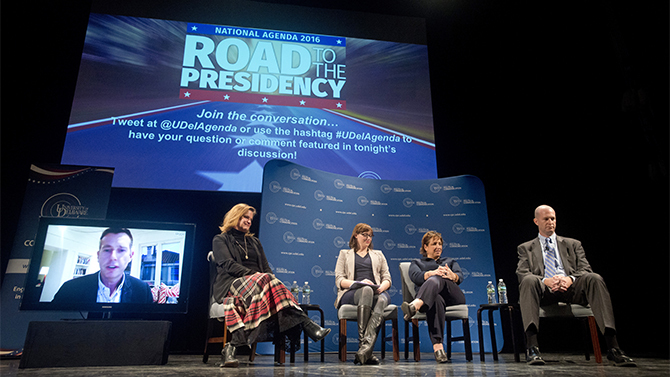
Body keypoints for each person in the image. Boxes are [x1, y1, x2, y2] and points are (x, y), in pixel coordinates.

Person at [212, 203, 330, 368]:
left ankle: (231, 348)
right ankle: (307, 324)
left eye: (250, 219)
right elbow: (228, 264)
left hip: (260, 285)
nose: (249, 222)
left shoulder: (254, 242)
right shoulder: (220, 239)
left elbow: (266, 268)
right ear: (235, 216)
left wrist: (269, 280)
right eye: (245, 217)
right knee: (265, 278)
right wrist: (256, 276)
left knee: (268, 278)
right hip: (232, 284)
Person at [516, 205, 636, 367]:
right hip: (545, 291)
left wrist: (570, 279)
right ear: (536, 221)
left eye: (553, 218)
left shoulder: (573, 244)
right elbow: (522, 272)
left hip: (572, 288)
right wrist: (546, 281)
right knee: (528, 281)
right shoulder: (526, 248)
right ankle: (533, 348)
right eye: (546, 219)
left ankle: (613, 348)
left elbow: (585, 269)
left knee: (594, 278)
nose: (550, 222)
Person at [400, 231, 466, 363]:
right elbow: (416, 277)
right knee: (435, 298)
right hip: (432, 299)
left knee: (439, 277)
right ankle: (438, 347)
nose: (438, 246)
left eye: (440, 244)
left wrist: (452, 275)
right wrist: (432, 273)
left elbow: (460, 277)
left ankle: (416, 305)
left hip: (452, 297)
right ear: (425, 246)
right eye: (434, 244)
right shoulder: (417, 262)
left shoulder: (450, 262)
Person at [334, 223, 392, 365]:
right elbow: (339, 280)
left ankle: (364, 351)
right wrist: (358, 283)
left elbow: (387, 278)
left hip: (377, 292)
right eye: (364, 235)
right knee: (365, 289)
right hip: (352, 292)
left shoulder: (378, 254)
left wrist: (381, 287)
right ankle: (364, 347)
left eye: (370, 235)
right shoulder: (345, 254)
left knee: (381, 300)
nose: (368, 238)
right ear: (355, 235)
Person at [53, 227, 153, 304]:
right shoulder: (69, 289)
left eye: (121, 250)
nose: (113, 257)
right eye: (107, 250)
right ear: (98, 255)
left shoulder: (143, 291)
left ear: (130, 256)